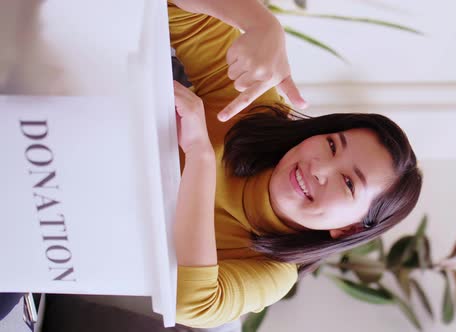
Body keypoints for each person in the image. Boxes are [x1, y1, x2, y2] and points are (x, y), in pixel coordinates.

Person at [170, 0, 423, 329]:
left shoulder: (273, 272)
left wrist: (200, 158)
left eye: (348, 183)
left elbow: (190, 305)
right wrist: (262, 22)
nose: (320, 169)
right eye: (332, 144)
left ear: (348, 229)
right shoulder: (255, 109)